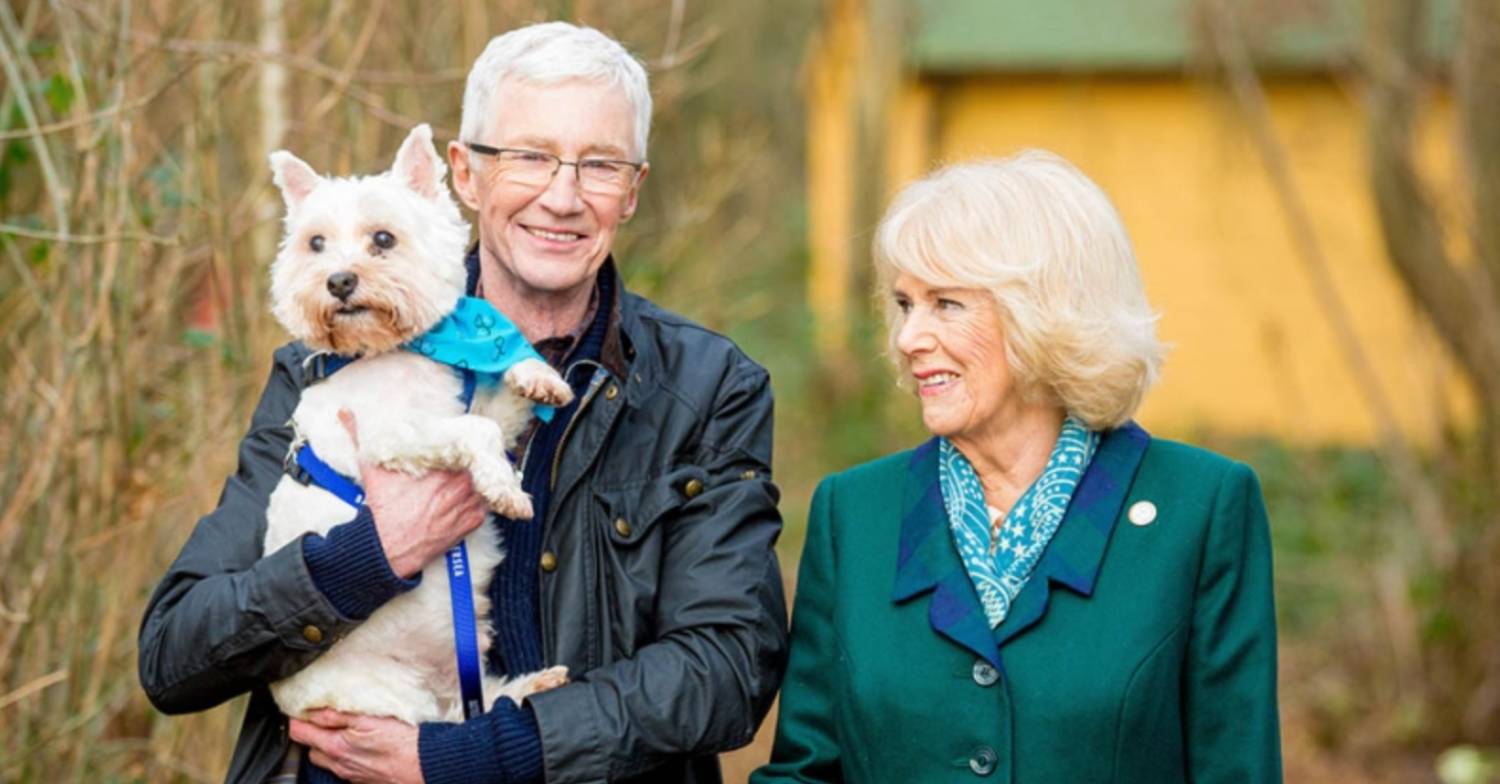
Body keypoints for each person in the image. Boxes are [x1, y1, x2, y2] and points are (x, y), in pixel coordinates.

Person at [138, 22, 787, 784]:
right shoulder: (324, 370)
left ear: (633, 191)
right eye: (530, 156)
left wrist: (465, 758)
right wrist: (370, 556)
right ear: (464, 175)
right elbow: (176, 656)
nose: (563, 195)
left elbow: (728, 668)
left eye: (600, 164)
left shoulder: (708, 389)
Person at [752, 152, 1282, 783]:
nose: (908, 337)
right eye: (904, 303)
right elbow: (806, 771)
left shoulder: (1202, 507)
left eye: (946, 304)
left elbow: (1237, 770)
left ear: (1047, 313)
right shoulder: (855, 513)